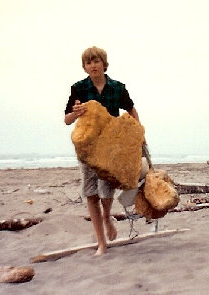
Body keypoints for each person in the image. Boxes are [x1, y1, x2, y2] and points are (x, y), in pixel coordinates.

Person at [64, 46, 141, 256]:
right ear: (85, 67)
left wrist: (139, 135)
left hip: (110, 149)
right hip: (87, 149)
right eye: (88, 62)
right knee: (90, 193)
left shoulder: (117, 87)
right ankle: (101, 244)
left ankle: (107, 217)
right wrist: (75, 113)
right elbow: (67, 120)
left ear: (103, 63)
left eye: (96, 61)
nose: (93, 65)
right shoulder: (78, 88)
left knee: (106, 192)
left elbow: (131, 110)